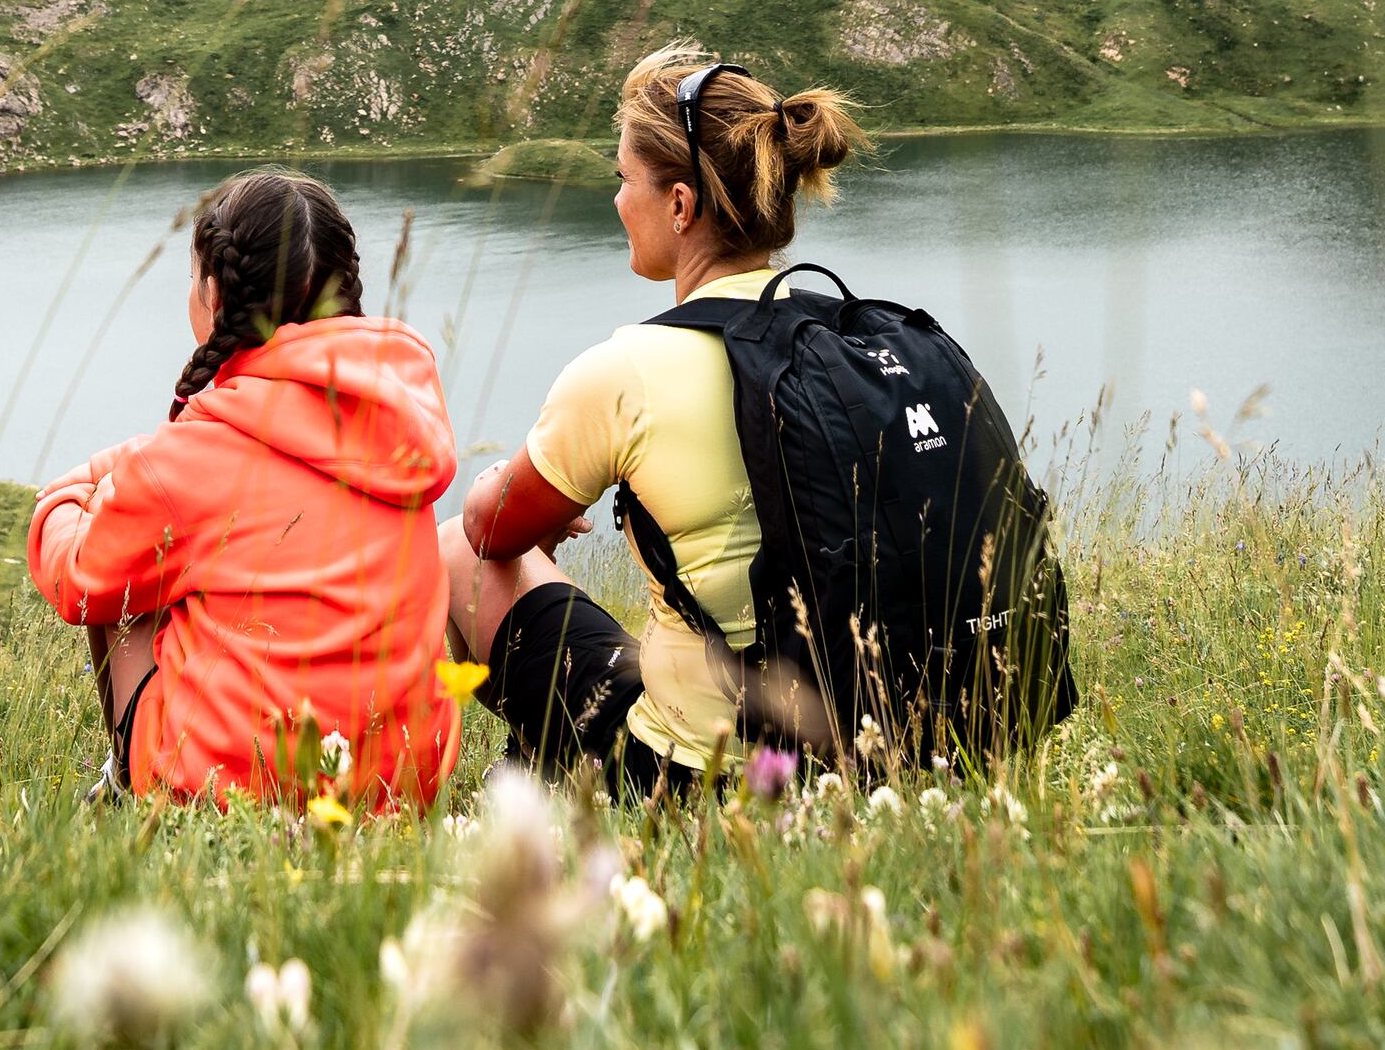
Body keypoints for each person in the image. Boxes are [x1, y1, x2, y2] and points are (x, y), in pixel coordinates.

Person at [441, 41, 1067, 795]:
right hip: (883, 750)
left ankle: (524, 783)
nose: (615, 200)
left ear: (679, 204)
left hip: (698, 773)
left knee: (452, 552)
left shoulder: (625, 370)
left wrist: (524, 498)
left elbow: (487, 531)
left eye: (623, 180)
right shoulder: (853, 340)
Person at [23, 170, 460, 808]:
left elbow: (79, 584)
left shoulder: (192, 457)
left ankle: (128, 785)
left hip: (240, 792)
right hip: (398, 783)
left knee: (128, 577)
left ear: (212, 291)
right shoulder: (402, 408)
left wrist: (65, 501)